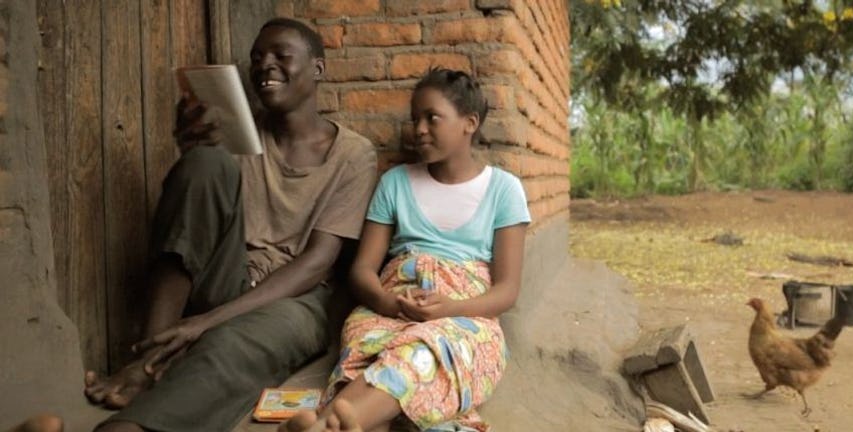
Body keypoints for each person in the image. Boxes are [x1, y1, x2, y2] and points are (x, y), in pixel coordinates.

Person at [82, 17, 378, 432]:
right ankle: (145, 361)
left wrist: (204, 322)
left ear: (317, 69)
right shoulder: (236, 132)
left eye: (280, 55)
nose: (265, 65)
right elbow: (192, 216)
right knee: (203, 164)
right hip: (228, 273)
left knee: (229, 344)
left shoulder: (354, 154)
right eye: (257, 58)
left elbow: (317, 263)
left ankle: (134, 426)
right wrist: (191, 149)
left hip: (297, 299)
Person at [279, 68, 531, 432]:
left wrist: (451, 309)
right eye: (415, 119)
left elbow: (507, 290)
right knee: (376, 354)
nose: (420, 129)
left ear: (469, 123)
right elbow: (362, 270)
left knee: (425, 350)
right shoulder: (395, 183)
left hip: (466, 318)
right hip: (390, 307)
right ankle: (345, 424)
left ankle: (322, 424)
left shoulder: (504, 190)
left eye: (432, 118)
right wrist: (388, 303)